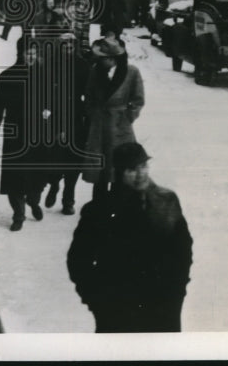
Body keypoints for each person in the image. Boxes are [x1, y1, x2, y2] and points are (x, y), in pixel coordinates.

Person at [67, 142, 193, 333]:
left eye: (143, 166)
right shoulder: (99, 211)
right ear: (119, 172)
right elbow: (78, 260)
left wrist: (177, 289)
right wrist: (96, 301)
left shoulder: (167, 201)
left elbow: (183, 249)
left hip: (163, 305)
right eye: (132, 169)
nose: (140, 173)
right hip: (117, 309)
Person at [0, 37, 52, 230]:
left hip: (38, 132)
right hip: (15, 133)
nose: (32, 57)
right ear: (20, 53)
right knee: (14, 176)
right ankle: (19, 214)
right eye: (28, 53)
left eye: (34, 53)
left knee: (38, 175)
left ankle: (32, 201)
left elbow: (53, 102)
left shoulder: (44, 75)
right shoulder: (7, 77)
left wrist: (50, 114)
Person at [81, 38, 145, 200]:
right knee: (100, 172)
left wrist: (128, 117)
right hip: (100, 127)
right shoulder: (96, 71)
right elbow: (88, 97)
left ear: (114, 58)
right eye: (101, 58)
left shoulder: (132, 72)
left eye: (105, 58)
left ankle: (118, 207)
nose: (102, 61)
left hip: (120, 128)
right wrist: (94, 115)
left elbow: (138, 100)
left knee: (120, 169)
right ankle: (98, 209)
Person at [43, 31, 92, 215]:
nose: (68, 49)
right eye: (64, 46)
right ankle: (54, 183)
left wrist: (88, 115)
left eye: (71, 46)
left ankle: (68, 199)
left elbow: (88, 93)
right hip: (54, 115)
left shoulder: (82, 65)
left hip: (76, 115)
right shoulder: (50, 64)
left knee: (74, 159)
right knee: (53, 156)